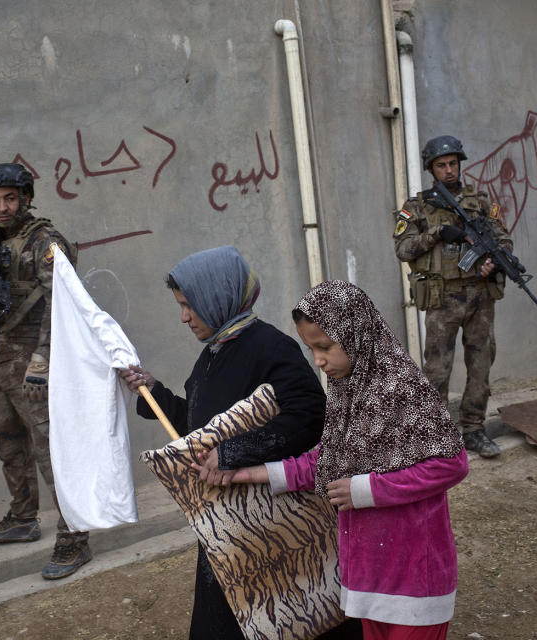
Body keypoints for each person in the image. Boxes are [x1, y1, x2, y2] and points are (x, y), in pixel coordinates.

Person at [200, 280, 468, 639]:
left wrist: (368, 490)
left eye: (325, 347)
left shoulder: (405, 391)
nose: (319, 360)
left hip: (416, 579)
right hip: (369, 576)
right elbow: (325, 462)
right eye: (312, 349)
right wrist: (249, 473)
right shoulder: (347, 390)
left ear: (356, 334)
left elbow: (451, 463)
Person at [121, 246, 344, 639]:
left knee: (292, 618)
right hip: (230, 530)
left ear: (216, 296)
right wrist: (153, 393)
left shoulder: (270, 348)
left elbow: (309, 415)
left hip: (275, 529)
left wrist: (233, 453)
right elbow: (201, 429)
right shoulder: (213, 354)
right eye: (181, 306)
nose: (184, 317)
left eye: (189, 305)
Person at [0, 162, 90, 580]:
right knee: (8, 440)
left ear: (26, 198)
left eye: (11, 198)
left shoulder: (44, 242)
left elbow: (64, 306)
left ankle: (75, 536)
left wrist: (42, 362)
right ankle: (23, 517)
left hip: (34, 363)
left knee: (50, 449)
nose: (2, 207)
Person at [393, 135, 512, 458]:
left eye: (453, 164)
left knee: (481, 366)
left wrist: (492, 261)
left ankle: (474, 430)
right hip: (442, 298)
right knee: (438, 371)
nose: (448, 170)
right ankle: (437, 436)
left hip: (479, 297)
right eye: (441, 165)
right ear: (431, 169)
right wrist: (435, 234)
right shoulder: (416, 207)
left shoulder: (482, 202)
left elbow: (503, 239)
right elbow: (403, 249)